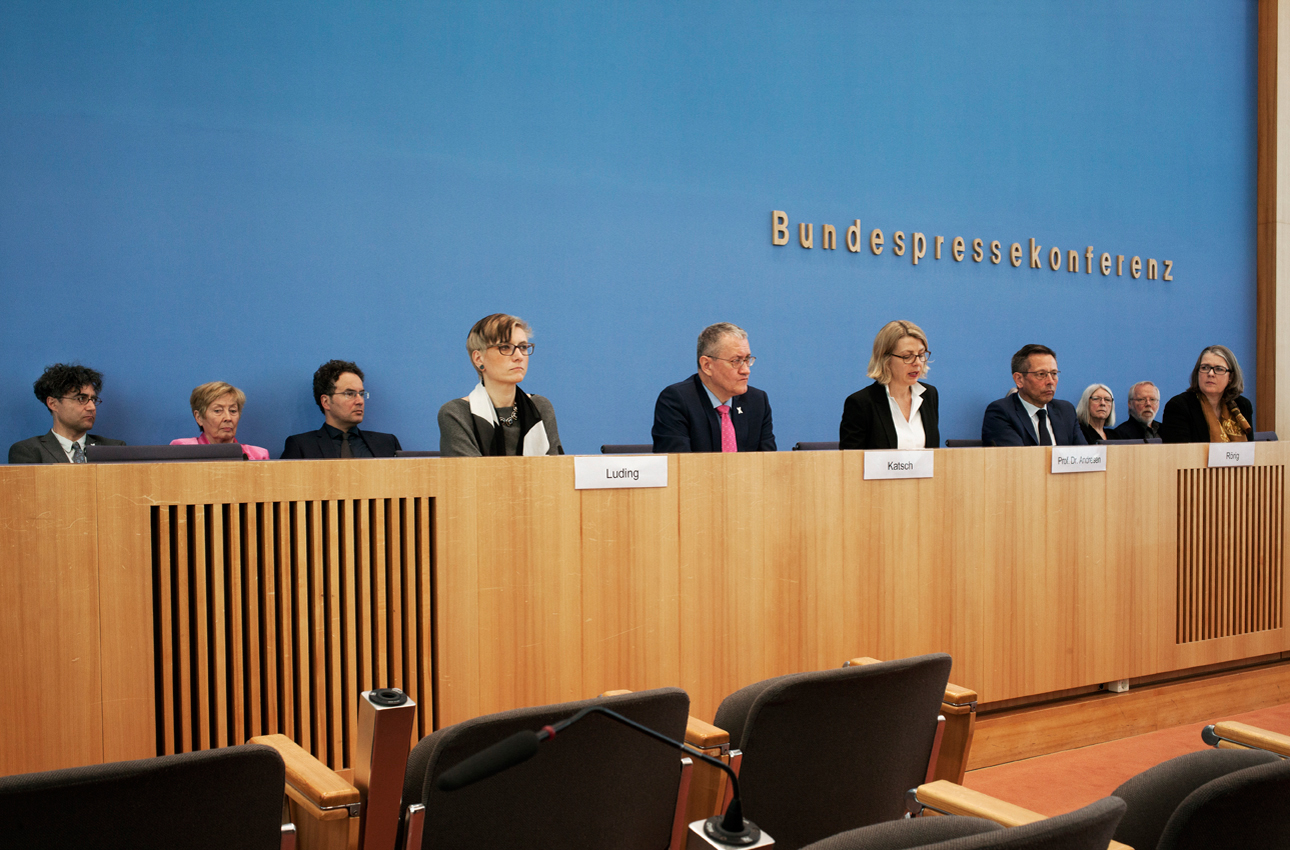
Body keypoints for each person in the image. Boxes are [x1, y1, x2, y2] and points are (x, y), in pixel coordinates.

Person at [438, 314, 563, 456]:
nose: (519, 356)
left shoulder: (540, 406)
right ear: (479, 358)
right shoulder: (456, 413)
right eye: (505, 347)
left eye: (522, 347)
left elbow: (557, 471)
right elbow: (471, 476)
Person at [652, 322, 775, 453]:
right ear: (707, 365)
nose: (746, 370)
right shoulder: (677, 401)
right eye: (736, 361)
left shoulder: (757, 401)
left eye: (747, 359)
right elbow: (678, 466)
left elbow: (768, 465)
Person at [839, 320, 940, 449]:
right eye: (907, 356)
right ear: (885, 359)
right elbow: (851, 462)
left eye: (920, 354)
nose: (917, 363)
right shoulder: (861, 404)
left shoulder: (929, 395)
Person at [281, 360, 402, 458]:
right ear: (326, 401)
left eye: (361, 393)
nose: (360, 401)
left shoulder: (387, 443)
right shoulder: (302, 446)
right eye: (350, 394)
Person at [9, 363, 126, 463]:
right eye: (81, 398)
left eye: (93, 400)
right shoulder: (29, 451)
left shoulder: (115, 449)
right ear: (53, 403)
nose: (91, 407)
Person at [981, 344, 1086, 446]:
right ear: (1019, 379)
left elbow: (1084, 457)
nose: (1050, 381)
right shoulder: (1001, 413)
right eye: (1041, 374)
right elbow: (1017, 459)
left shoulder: (1066, 411)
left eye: (1054, 373)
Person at [1160, 346, 1253, 444]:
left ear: (1231, 377)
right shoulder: (1179, 406)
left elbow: (1251, 451)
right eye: (1205, 367)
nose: (1210, 373)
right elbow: (1178, 454)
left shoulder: (1242, 405)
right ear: (1197, 372)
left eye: (1219, 369)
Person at [170, 381, 269, 460]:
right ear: (199, 417)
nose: (228, 418)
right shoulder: (183, 449)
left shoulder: (258, 456)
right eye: (218, 411)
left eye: (233, 411)